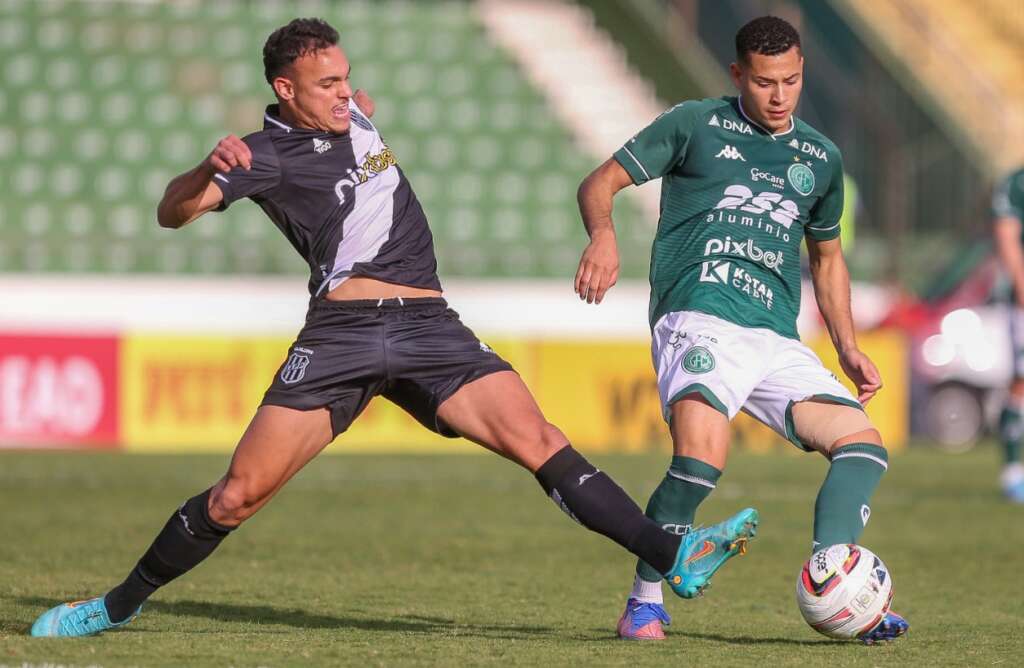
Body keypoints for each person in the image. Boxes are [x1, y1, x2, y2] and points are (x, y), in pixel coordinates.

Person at [30, 17, 722, 638]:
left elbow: (361, 110)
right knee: (236, 496)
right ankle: (116, 606)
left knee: (538, 439)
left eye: (347, 78)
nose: (344, 92)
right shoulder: (260, 155)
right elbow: (171, 214)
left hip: (430, 327)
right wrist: (202, 170)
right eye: (326, 83)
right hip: (342, 336)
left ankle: (673, 558)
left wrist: (353, 103)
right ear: (285, 90)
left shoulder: (355, 117)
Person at [574, 16, 908, 643]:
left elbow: (827, 258)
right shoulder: (695, 124)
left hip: (776, 338)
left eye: (792, 80)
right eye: (764, 82)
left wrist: (849, 347)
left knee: (863, 445)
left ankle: (832, 575)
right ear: (737, 75)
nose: (780, 95)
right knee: (702, 459)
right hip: (697, 317)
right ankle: (643, 601)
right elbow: (600, 183)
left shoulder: (820, 157)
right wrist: (603, 234)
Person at [992, 165, 1024, 502]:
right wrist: (1020, 281)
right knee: (1021, 380)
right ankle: (1013, 471)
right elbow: (1007, 235)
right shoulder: (1016, 182)